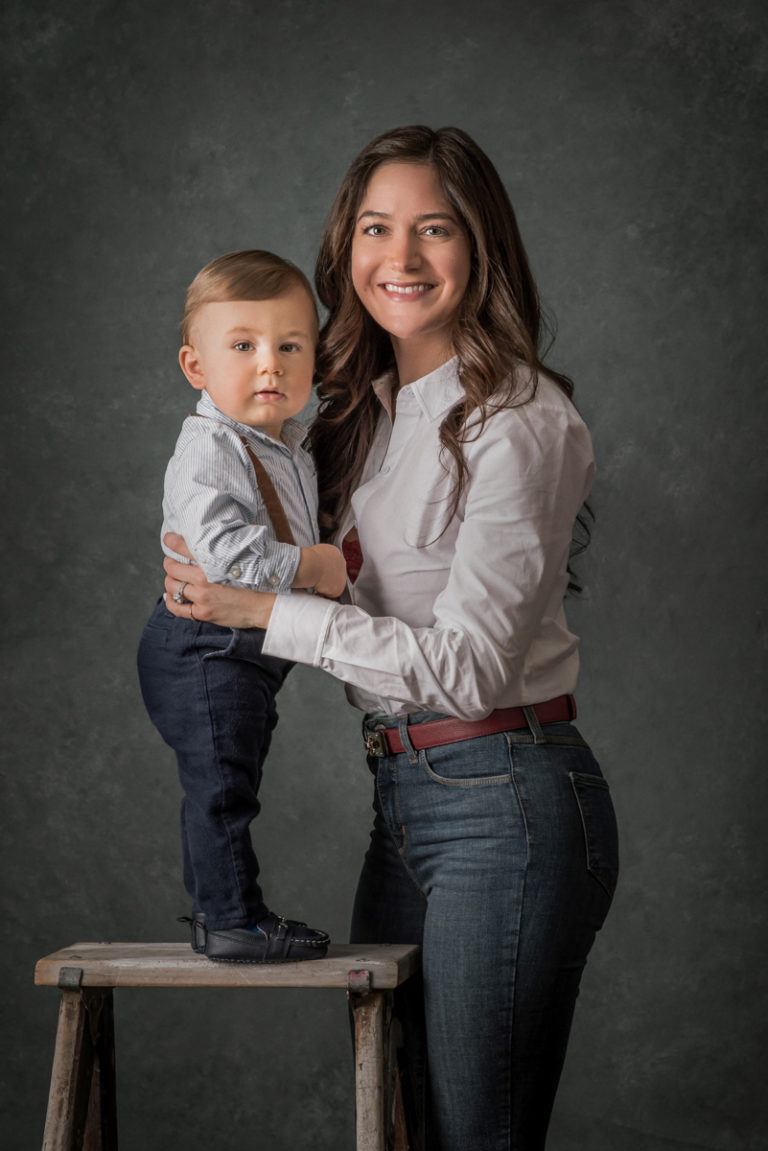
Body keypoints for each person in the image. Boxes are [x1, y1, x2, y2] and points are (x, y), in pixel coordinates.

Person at [162, 128, 619, 1149]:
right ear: (346, 244)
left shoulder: (521, 421)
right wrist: (205, 559)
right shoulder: (353, 417)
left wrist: (261, 606)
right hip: (404, 800)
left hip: (506, 798)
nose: (400, 259)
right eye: (377, 228)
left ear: (481, 246)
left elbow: (467, 669)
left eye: (434, 229)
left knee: (473, 1134)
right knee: (398, 1124)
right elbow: (234, 487)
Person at [137, 249, 346, 964]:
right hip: (202, 646)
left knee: (227, 777)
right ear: (196, 368)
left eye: (291, 346)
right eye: (244, 346)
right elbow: (226, 557)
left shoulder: (284, 440)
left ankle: (213, 911)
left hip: (240, 649)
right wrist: (315, 565)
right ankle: (233, 918)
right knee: (222, 787)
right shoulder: (209, 447)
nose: (271, 365)